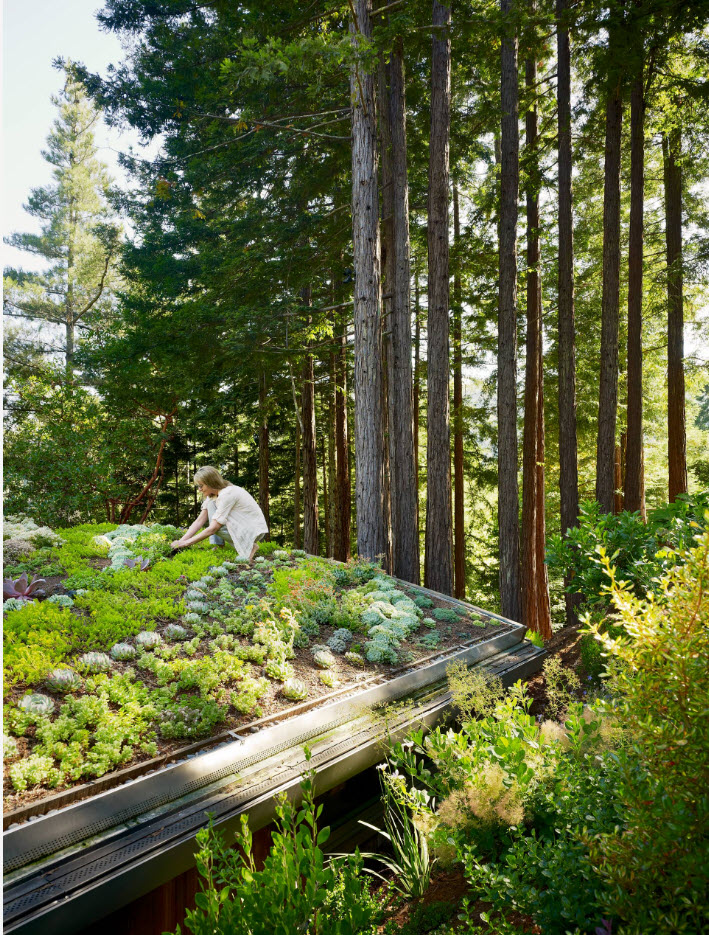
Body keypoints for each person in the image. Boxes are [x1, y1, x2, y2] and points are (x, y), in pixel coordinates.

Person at [171, 466, 268, 561]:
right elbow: (199, 521)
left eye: (201, 486)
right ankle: (219, 545)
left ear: (211, 483)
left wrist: (186, 543)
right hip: (244, 526)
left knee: (216, 527)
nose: (199, 489)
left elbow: (213, 528)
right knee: (211, 506)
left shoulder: (227, 494)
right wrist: (181, 542)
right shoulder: (213, 495)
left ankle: (250, 547)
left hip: (254, 531)